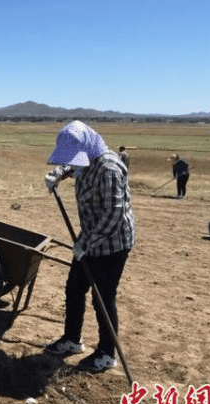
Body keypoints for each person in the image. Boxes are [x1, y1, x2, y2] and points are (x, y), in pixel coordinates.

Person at [43, 120, 135, 373]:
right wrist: (57, 174)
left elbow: (114, 214)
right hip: (91, 238)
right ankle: (72, 340)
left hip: (113, 243)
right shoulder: (85, 159)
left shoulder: (108, 168)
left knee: (103, 298)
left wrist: (86, 243)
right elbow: (72, 165)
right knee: (74, 287)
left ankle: (106, 354)